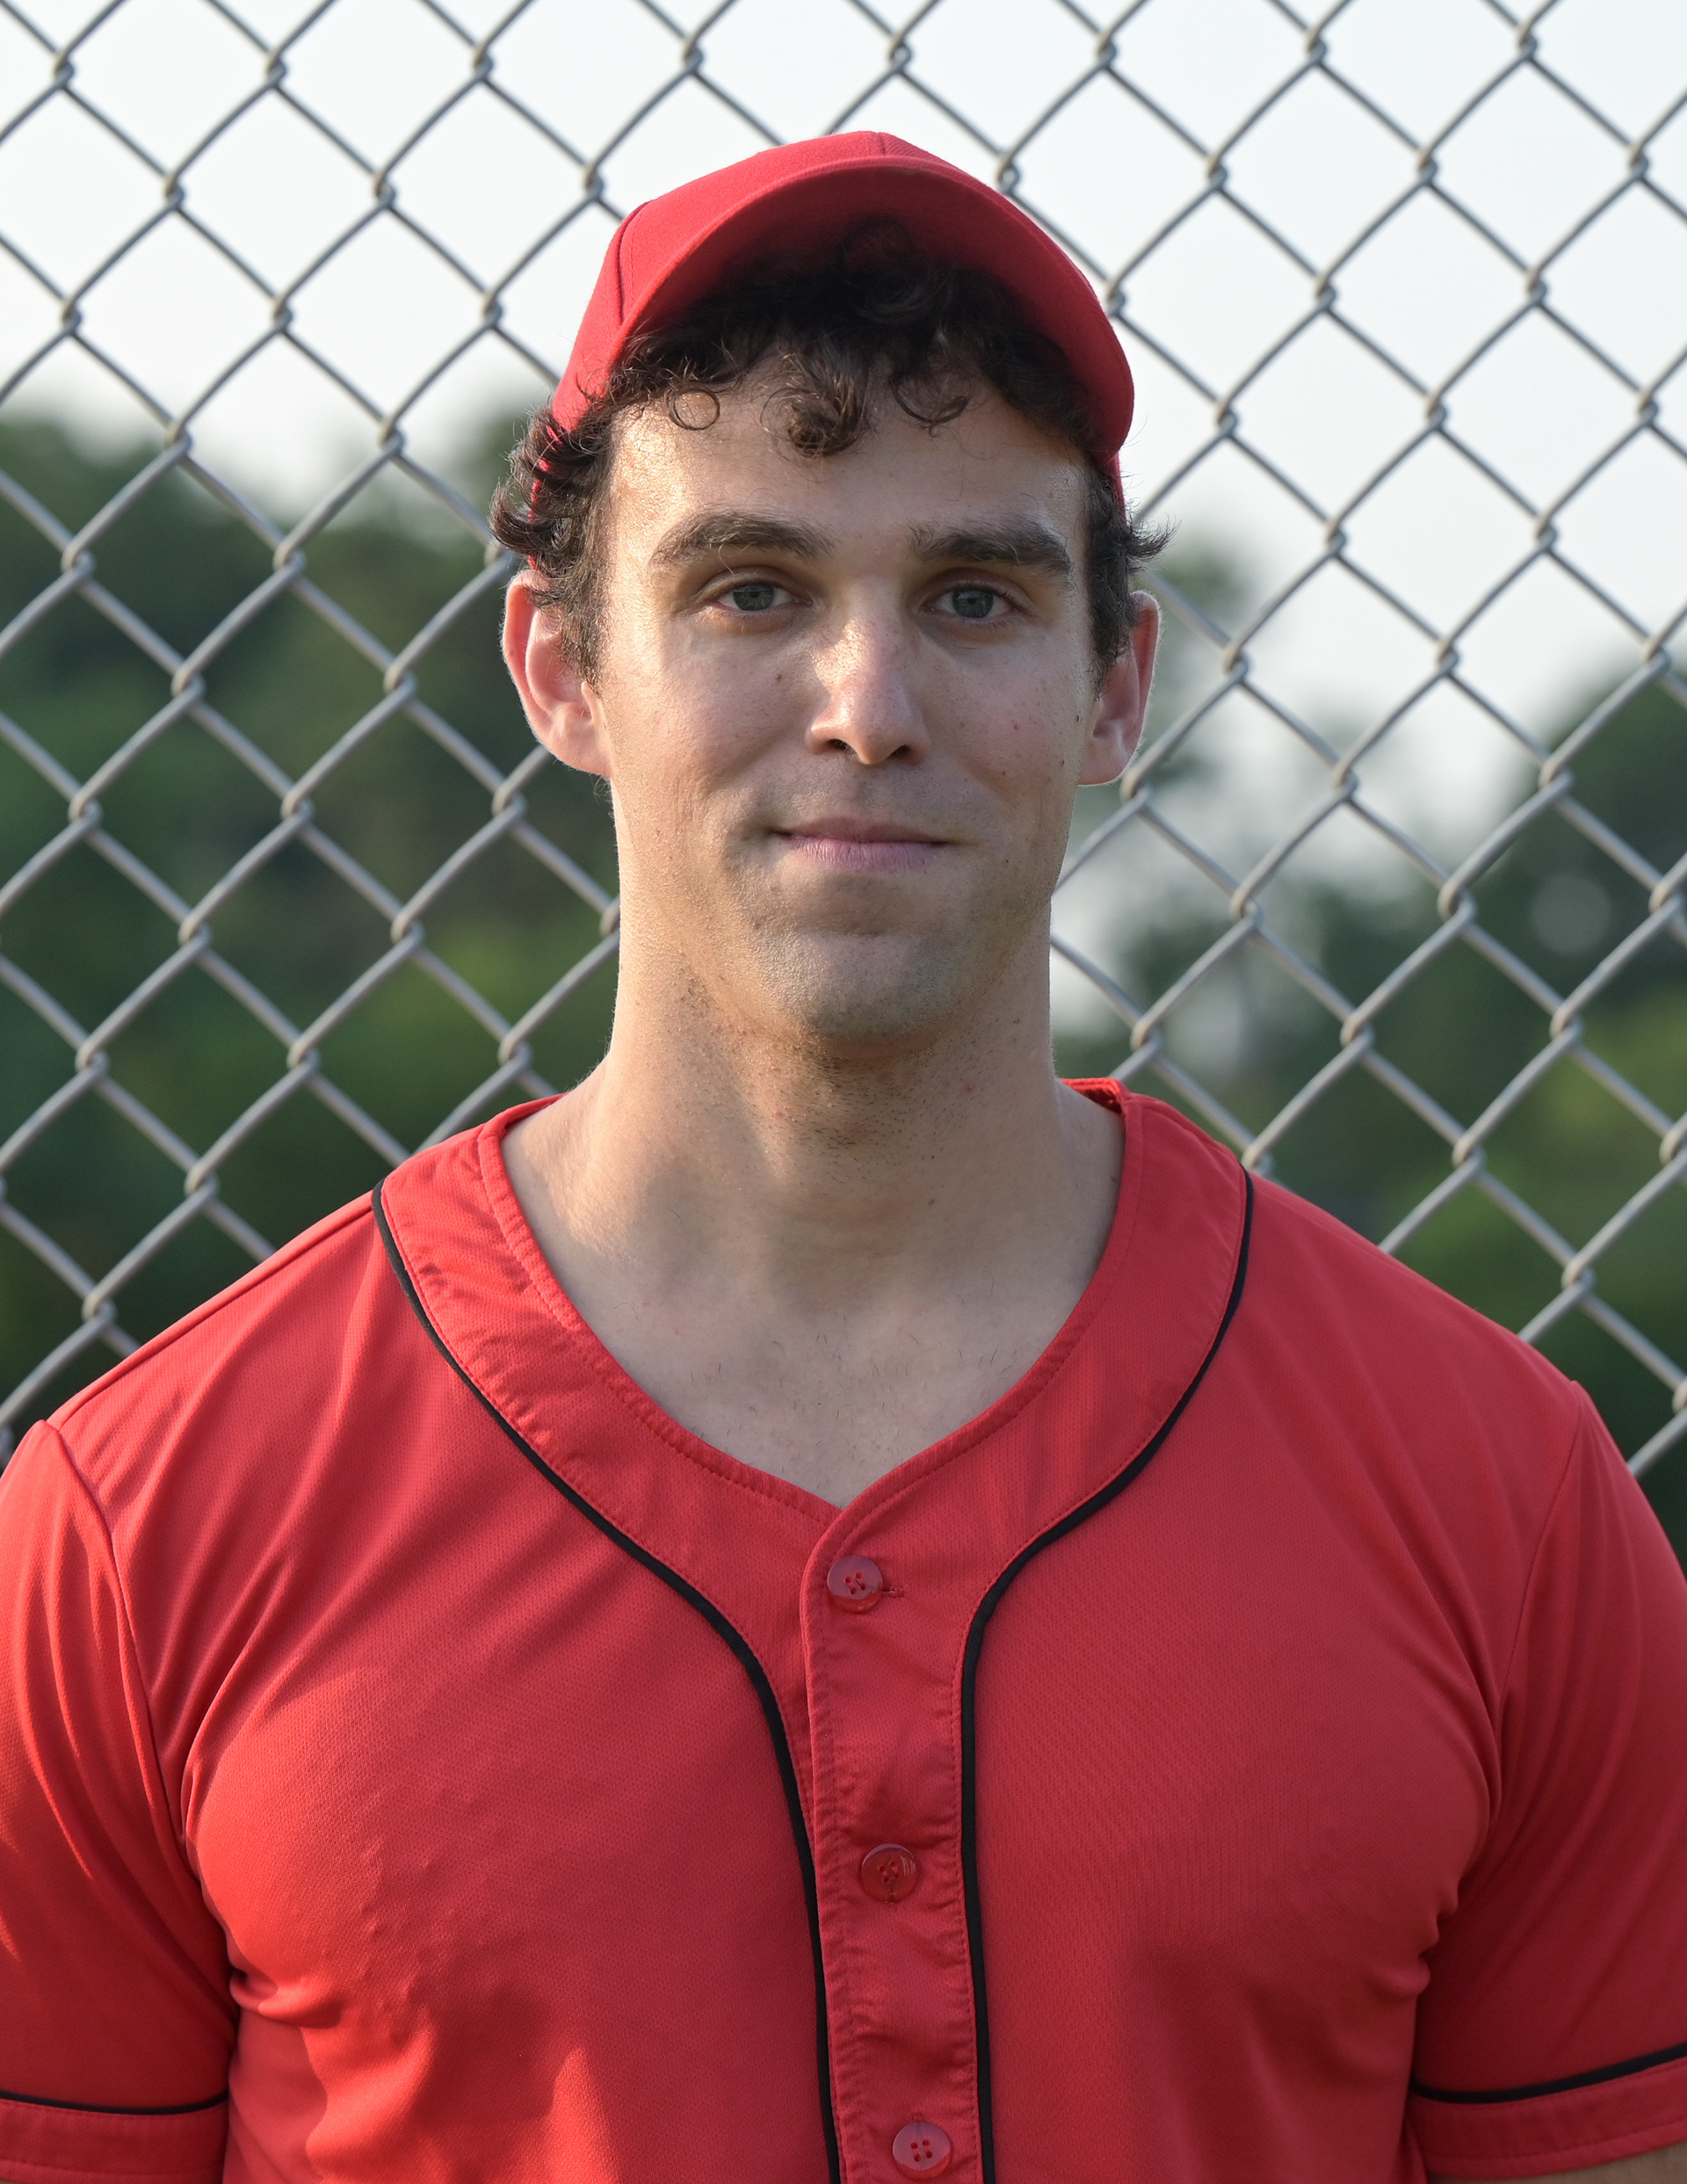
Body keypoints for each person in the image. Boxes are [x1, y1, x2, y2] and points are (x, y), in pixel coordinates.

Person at [0, 133, 1683, 2184]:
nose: (870, 703)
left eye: (975, 596)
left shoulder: (1497, 1494)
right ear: (561, 670)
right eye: (751, 590)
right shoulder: (138, 1524)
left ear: (1115, 687)